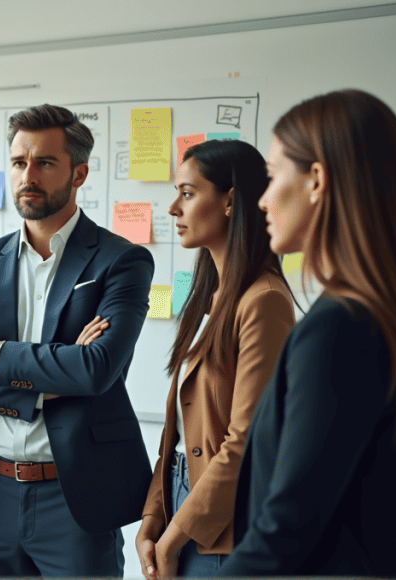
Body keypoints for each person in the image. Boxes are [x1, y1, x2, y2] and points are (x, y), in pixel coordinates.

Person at [0, 103, 154, 577]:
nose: (27, 175)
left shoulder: (122, 262)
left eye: (44, 163)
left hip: (75, 495)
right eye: (18, 162)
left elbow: (95, 370)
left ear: (78, 174)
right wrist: (48, 381)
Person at [217, 89, 396, 576]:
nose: (263, 201)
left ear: (317, 180)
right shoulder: (387, 315)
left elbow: (288, 526)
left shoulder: (341, 328)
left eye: (272, 178)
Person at [127, 140, 294, 578]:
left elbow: (246, 441)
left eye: (186, 193)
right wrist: (151, 520)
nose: (172, 210)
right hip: (181, 501)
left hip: (220, 519)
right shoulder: (210, 299)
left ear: (230, 202)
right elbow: (179, 433)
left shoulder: (264, 301)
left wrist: (175, 533)